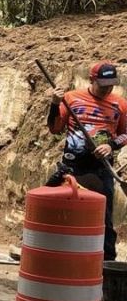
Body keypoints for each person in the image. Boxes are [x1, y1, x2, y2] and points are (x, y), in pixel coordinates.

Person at [45, 62, 127, 261]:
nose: (108, 88)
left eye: (111, 84)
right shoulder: (71, 99)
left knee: (104, 219)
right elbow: (55, 128)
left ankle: (107, 264)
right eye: (103, 84)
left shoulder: (120, 104)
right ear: (92, 80)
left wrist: (112, 146)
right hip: (71, 168)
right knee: (54, 212)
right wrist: (55, 104)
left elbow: (125, 134)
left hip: (101, 169)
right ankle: (47, 253)